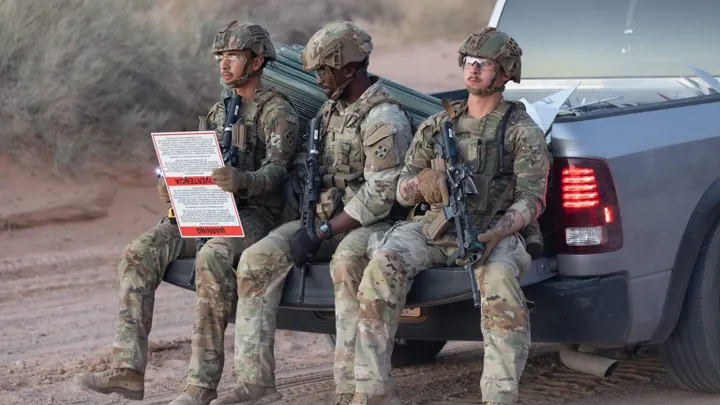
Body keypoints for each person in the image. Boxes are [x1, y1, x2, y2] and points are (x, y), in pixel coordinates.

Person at [73, 20, 299, 405]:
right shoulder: (219, 112)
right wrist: (175, 188)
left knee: (213, 258)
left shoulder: (277, 111)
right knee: (138, 253)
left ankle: (200, 385)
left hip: (256, 216)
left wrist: (243, 180)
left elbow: (280, 169)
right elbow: (201, 165)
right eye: (220, 57)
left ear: (257, 61)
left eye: (233, 56)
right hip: (209, 209)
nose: (223, 64)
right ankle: (128, 370)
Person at [340, 27, 551, 405]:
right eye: (469, 63)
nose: (472, 71)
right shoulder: (439, 125)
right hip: (435, 226)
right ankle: (371, 389)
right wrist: (423, 182)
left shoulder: (520, 130)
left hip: (493, 230)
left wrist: (497, 233)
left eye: (483, 65)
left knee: (500, 279)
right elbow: (401, 189)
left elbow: (532, 200)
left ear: (504, 72)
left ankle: (500, 394)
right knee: (382, 264)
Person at [209, 21, 414, 405]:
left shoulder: (383, 117)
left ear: (350, 69)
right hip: (319, 220)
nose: (318, 78)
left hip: (367, 223)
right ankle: (256, 383)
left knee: (347, 264)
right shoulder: (329, 113)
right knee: (255, 261)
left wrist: (321, 231)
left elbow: (380, 194)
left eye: (325, 70)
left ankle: (354, 389)